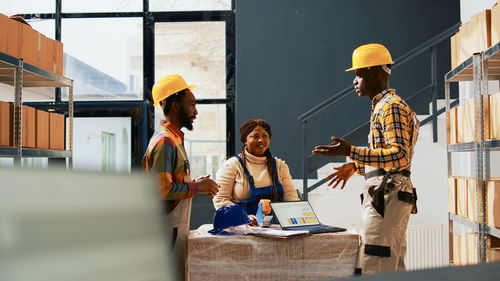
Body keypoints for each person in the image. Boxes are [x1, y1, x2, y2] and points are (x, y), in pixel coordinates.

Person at [312, 43, 419, 275]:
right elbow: (386, 154)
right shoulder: (382, 106)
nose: (354, 81)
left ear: (376, 73)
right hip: (386, 193)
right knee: (389, 263)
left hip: (388, 195)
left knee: (376, 263)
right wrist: (356, 166)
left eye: (359, 74)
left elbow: (399, 156)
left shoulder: (391, 107)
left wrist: (352, 152)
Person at [143, 74, 219, 280]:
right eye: (191, 104)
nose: (196, 111)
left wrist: (194, 184)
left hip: (176, 227)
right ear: (175, 106)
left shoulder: (175, 138)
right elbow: (163, 190)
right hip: (168, 228)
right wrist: (199, 188)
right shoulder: (165, 141)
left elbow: (172, 183)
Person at [213, 119, 299, 224]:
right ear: (245, 140)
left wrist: (305, 221)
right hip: (242, 226)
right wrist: (242, 217)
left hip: (276, 228)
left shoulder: (279, 165)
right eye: (255, 136)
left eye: (264, 136)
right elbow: (220, 200)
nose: (260, 140)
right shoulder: (232, 165)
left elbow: (291, 198)